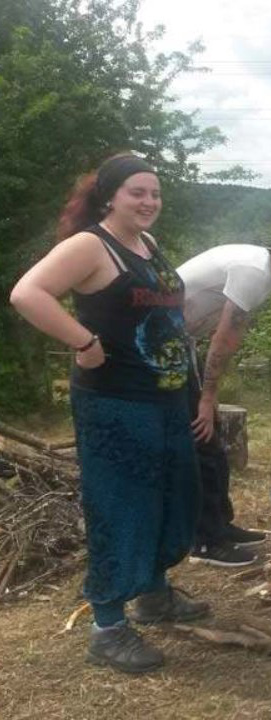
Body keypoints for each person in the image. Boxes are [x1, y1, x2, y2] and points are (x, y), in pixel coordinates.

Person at [9, 153, 208, 674]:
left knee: (173, 496)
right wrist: (84, 340)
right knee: (122, 506)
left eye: (155, 194)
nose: (148, 202)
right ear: (110, 196)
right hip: (115, 402)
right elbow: (27, 293)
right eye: (137, 192)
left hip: (164, 397)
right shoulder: (89, 245)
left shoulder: (147, 245)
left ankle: (154, 593)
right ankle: (107, 626)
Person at [178, 215, 271, 566]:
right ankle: (203, 541)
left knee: (211, 445)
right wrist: (207, 397)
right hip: (157, 343)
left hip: (179, 342)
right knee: (202, 441)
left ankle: (220, 525)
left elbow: (232, 333)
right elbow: (224, 339)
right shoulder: (254, 270)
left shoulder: (268, 274)